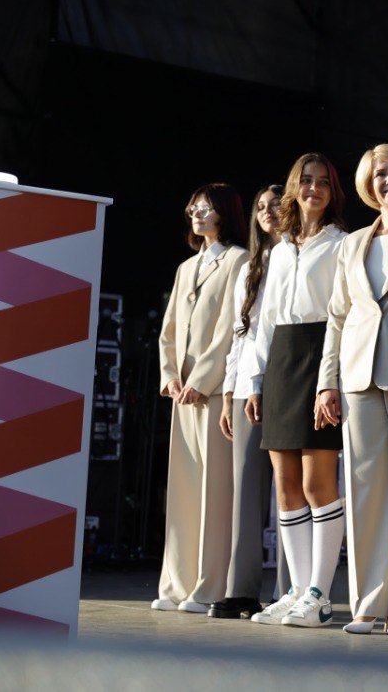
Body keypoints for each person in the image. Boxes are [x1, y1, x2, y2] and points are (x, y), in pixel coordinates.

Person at [315, 144, 388, 634]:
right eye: (381, 174)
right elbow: (337, 317)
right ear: (367, 183)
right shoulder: (353, 242)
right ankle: (369, 605)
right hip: (356, 378)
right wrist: (327, 383)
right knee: (365, 494)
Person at [244, 153, 348, 628]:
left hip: (319, 354)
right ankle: (296, 590)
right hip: (281, 361)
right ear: (293, 187)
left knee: (316, 483)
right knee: (285, 486)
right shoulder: (279, 249)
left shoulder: (342, 243)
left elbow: (341, 316)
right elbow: (264, 320)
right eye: (306, 180)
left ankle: (320, 596)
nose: (314, 188)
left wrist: (330, 381)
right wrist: (255, 381)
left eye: (323, 181)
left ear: (333, 190)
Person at [153, 183, 249, 614]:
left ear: (225, 212)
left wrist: (204, 379)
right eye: (193, 208)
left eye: (205, 208)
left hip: (212, 393)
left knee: (214, 492)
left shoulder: (238, 260)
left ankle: (208, 587)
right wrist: (171, 377)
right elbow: (169, 330)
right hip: (182, 393)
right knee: (184, 489)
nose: (196, 214)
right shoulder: (184, 267)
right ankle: (176, 585)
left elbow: (230, 327)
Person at [210, 184, 288, 620]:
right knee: (246, 491)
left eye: (275, 204)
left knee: (291, 490)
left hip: (288, 380)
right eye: (260, 207)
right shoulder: (250, 266)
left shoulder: (298, 254)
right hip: (245, 387)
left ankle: (290, 591)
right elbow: (239, 334)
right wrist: (228, 393)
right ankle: (240, 590)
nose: (267, 211)